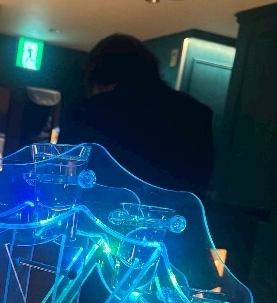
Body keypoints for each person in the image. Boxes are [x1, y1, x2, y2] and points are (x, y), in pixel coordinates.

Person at [61, 33, 215, 198]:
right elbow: (198, 182)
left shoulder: (89, 111)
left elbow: (64, 171)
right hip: (175, 212)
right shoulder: (197, 112)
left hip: (103, 210)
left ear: (98, 73)